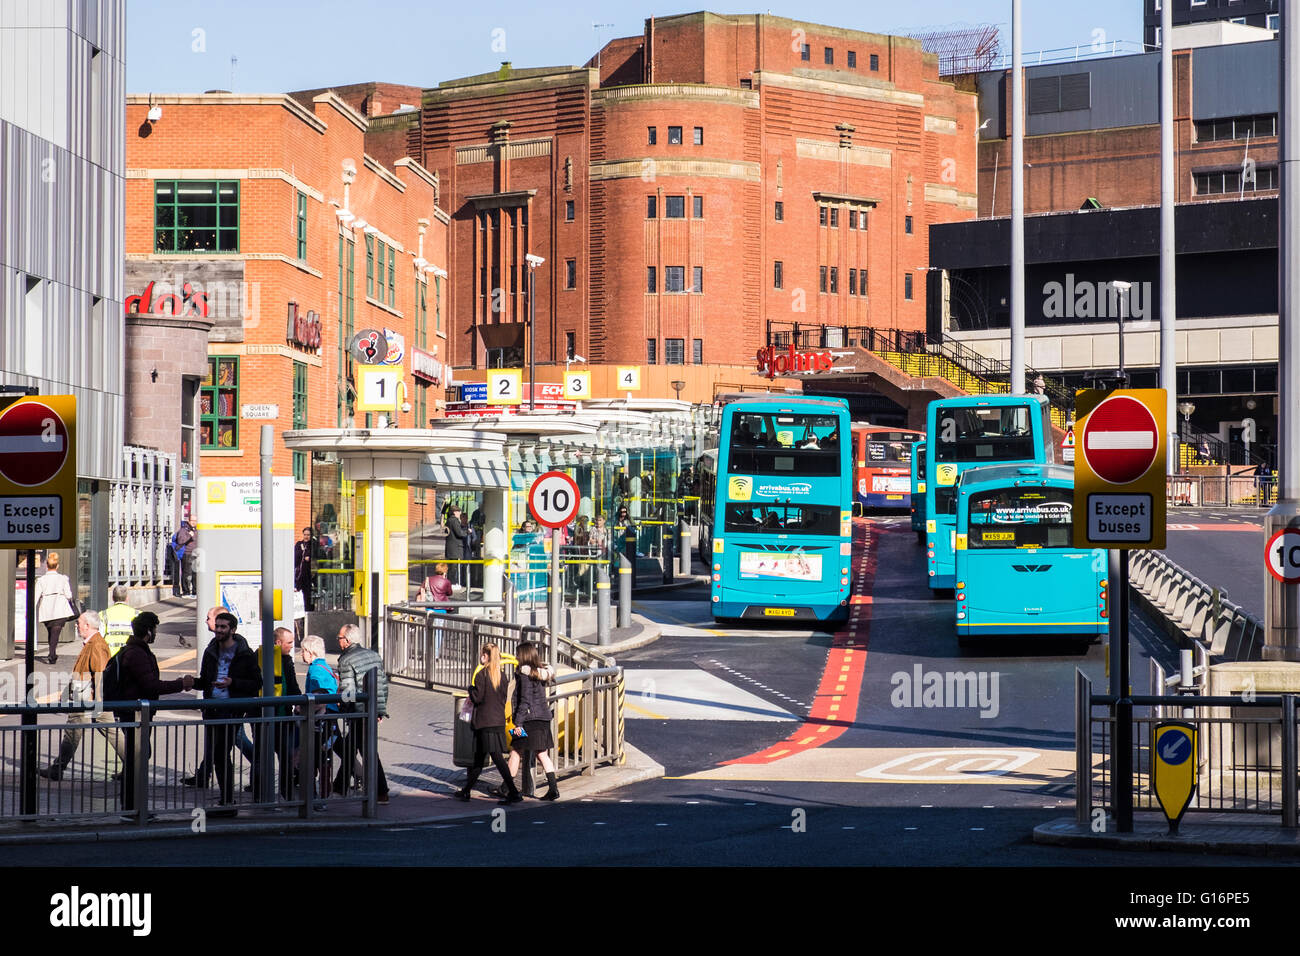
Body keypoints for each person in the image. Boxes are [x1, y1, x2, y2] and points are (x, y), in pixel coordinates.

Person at [105, 611, 194, 813]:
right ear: (148, 630)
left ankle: (133, 806)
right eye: (154, 629)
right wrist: (182, 684)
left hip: (137, 713)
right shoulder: (137, 653)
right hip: (136, 714)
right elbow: (151, 685)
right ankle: (132, 807)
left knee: (138, 757)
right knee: (137, 759)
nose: (155, 633)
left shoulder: (134, 650)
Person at [38, 610, 122, 781]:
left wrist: (96, 700)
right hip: (89, 697)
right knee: (110, 732)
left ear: (87, 626)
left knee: (73, 733)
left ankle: (57, 768)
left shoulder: (96, 645)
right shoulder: (92, 644)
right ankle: (135, 765)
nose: (76, 626)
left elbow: (99, 673)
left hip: (87, 699)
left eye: (78, 623)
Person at [193, 611, 263, 816]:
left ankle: (227, 801)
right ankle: (226, 799)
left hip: (232, 709)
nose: (219, 630)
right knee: (217, 754)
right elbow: (205, 679)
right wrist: (191, 683)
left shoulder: (244, 653)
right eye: (218, 626)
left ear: (232, 630)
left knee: (222, 752)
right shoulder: (210, 651)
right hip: (212, 707)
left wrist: (234, 683)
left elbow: (256, 683)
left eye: (223, 627)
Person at [454, 644, 522, 804]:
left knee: (497, 757)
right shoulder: (502, 676)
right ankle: (466, 791)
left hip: (484, 722)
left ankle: (513, 792)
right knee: (478, 758)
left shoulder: (482, 675)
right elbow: (503, 699)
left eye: (482, 654)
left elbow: (478, 698)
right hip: (497, 721)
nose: (480, 657)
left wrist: (470, 689)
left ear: (485, 656)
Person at [334, 624, 390, 804]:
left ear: (347, 640)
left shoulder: (346, 659)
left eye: (340, 638)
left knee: (366, 751)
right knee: (354, 748)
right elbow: (383, 685)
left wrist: (342, 708)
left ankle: (381, 791)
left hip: (358, 712)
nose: (339, 641)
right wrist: (380, 710)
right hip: (371, 710)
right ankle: (340, 786)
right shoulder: (374, 655)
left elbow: (348, 691)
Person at [252, 627, 303, 800]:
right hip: (279, 716)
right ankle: (285, 794)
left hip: (265, 716)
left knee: (262, 757)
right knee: (283, 757)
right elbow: (293, 687)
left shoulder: (258, 656)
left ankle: (259, 795)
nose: (291, 646)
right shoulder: (284, 661)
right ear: (278, 642)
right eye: (289, 642)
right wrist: (302, 701)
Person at [505, 641, 559, 801]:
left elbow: (525, 700)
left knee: (515, 751)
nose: (515, 657)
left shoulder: (525, 674)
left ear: (523, 655)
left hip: (530, 720)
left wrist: (518, 722)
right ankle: (553, 789)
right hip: (542, 717)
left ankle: (509, 790)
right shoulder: (539, 672)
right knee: (542, 753)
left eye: (517, 654)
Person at [299, 634, 342, 805]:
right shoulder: (325, 667)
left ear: (310, 652)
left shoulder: (315, 670)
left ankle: (317, 797)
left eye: (303, 651)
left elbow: (318, 694)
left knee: (315, 758)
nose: (301, 654)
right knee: (325, 757)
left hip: (319, 721)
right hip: (329, 720)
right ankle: (323, 795)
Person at [33, 552, 75, 665]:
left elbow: (35, 597)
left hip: (46, 608)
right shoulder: (63, 579)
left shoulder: (41, 580)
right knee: (55, 632)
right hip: (60, 608)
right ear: (57, 566)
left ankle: (52, 653)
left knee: (51, 631)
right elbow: (69, 595)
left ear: (46, 566)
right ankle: (52, 653)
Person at [100, 586, 137, 654]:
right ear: (127, 598)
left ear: (112, 598)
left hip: (109, 655)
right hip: (130, 654)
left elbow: (100, 637)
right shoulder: (137, 614)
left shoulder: (103, 614)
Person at [169, 521, 196, 597]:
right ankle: (186, 592)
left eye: (196, 521)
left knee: (195, 574)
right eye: (193, 521)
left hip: (196, 553)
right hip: (187, 553)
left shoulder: (197, 530)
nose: (195, 522)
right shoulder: (184, 530)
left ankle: (195, 592)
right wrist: (189, 536)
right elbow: (180, 541)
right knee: (186, 573)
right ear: (190, 521)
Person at [445, 505, 468, 590]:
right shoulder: (454, 521)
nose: (460, 513)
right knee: (453, 567)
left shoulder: (448, 521)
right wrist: (467, 532)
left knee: (451, 567)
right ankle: (452, 583)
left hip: (451, 547)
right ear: (455, 512)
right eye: (458, 511)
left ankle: (451, 583)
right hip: (455, 548)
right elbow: (459, 533)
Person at [294, 526, 316, 612]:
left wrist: (310, 558)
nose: (306, 537)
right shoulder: (299, 544)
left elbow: (318, 556)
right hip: (299, 575)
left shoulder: (313, 545)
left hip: (309, 576)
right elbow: (295, 557)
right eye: (305, 535)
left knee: (308, 598)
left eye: (308, 535)